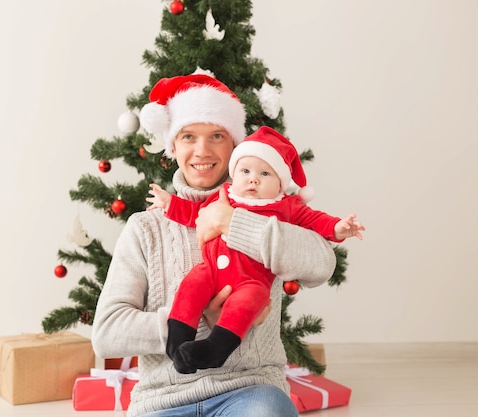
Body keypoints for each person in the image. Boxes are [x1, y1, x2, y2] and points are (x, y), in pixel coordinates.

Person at [91, 74, 338, 417]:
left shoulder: (272, 214)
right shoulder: (145, 228)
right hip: (162, 401)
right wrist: (195, 321)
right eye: (188, 136)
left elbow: (322, 264)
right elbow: (107, 334)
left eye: (217, 136)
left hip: (249, 391)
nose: (202, 151)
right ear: (172, 147)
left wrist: (233, 223)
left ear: (235, 148)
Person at [146, 125, 365, 374]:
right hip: (210, 271)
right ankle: (177, 342)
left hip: (251, 281)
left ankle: (215, 349)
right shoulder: (223, 196)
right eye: (246, 171)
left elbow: (316, 221)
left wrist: (338, 227)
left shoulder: (286, 206)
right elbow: (193, 213)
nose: (253, 179)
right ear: (235, 173)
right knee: (192, 284)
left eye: (265, 174)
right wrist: (169, 203)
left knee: (246, 303)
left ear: (281, 184)